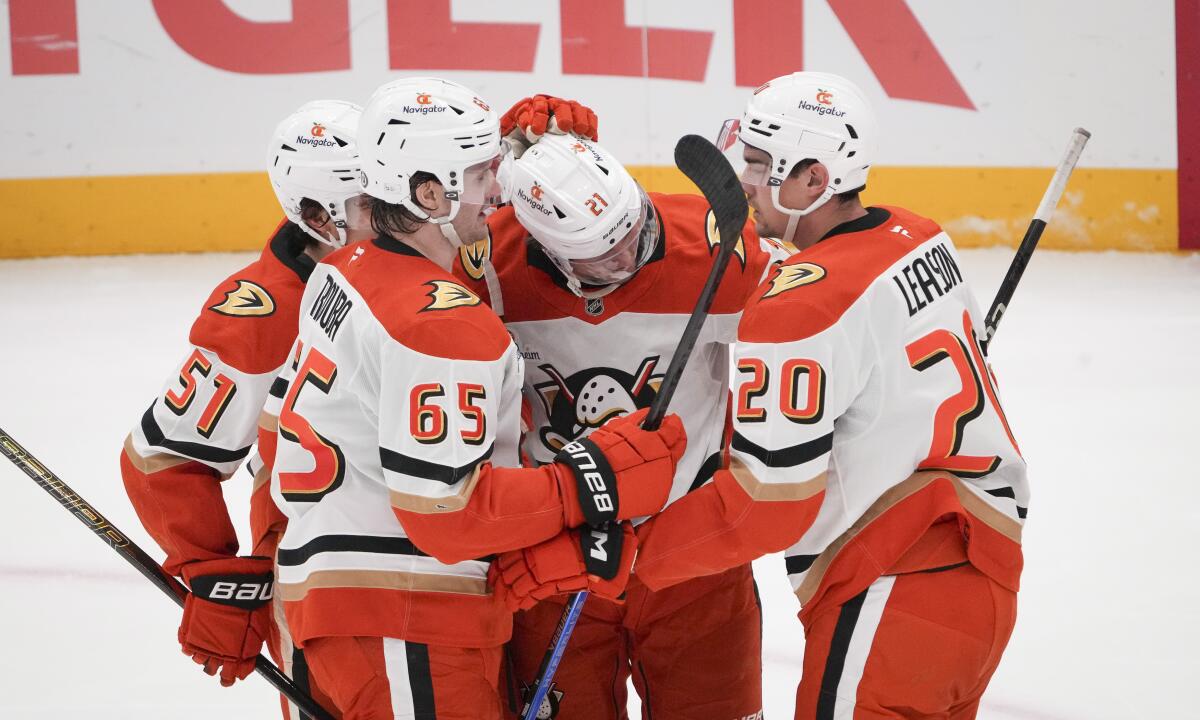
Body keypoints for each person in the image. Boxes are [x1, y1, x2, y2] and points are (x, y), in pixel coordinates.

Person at [267, 76, 686, 720]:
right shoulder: (438, 319)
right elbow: (445, 513)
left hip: (341, 600)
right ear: (430, 192)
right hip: (404, 610)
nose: (498, 189)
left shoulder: (344, 271)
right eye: (483, 171)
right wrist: (595, 476)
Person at [630, 71, 1029, 718]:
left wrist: (633, 561)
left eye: (760, 165)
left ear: (815, 179)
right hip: (985, 579)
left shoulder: (798, 310)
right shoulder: (919, 233)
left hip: (893, 588)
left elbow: (767, 501)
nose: (743, 181)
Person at [462, 123, 787, 719]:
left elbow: (824, 306)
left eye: (634, 233)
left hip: (694, 551)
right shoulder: (489, 270)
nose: (628, 256)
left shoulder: (717, 245)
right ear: (546, 247)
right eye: (603, 255)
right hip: (557, 557)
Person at [120, 100, 374, 715]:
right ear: (317, 216)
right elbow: (163, 458)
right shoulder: (262, 316)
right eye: (371, 201)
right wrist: (213, 572)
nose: (403, 207)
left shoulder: (432, 260)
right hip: (320, 568)